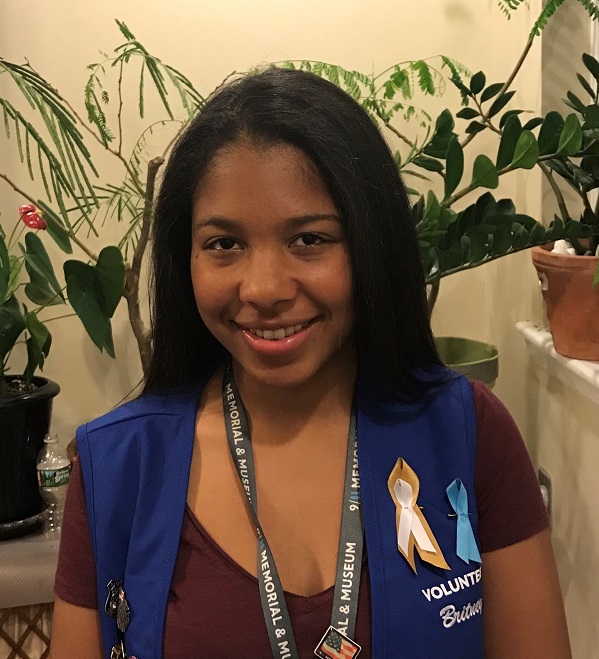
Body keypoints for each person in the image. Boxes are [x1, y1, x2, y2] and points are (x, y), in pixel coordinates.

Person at [49, 67, 571, 659]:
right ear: (184, 258)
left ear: (371, 243)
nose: (264, 287)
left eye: (310, 239)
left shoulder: (468, 434)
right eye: (224, 244)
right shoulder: (117, 467)